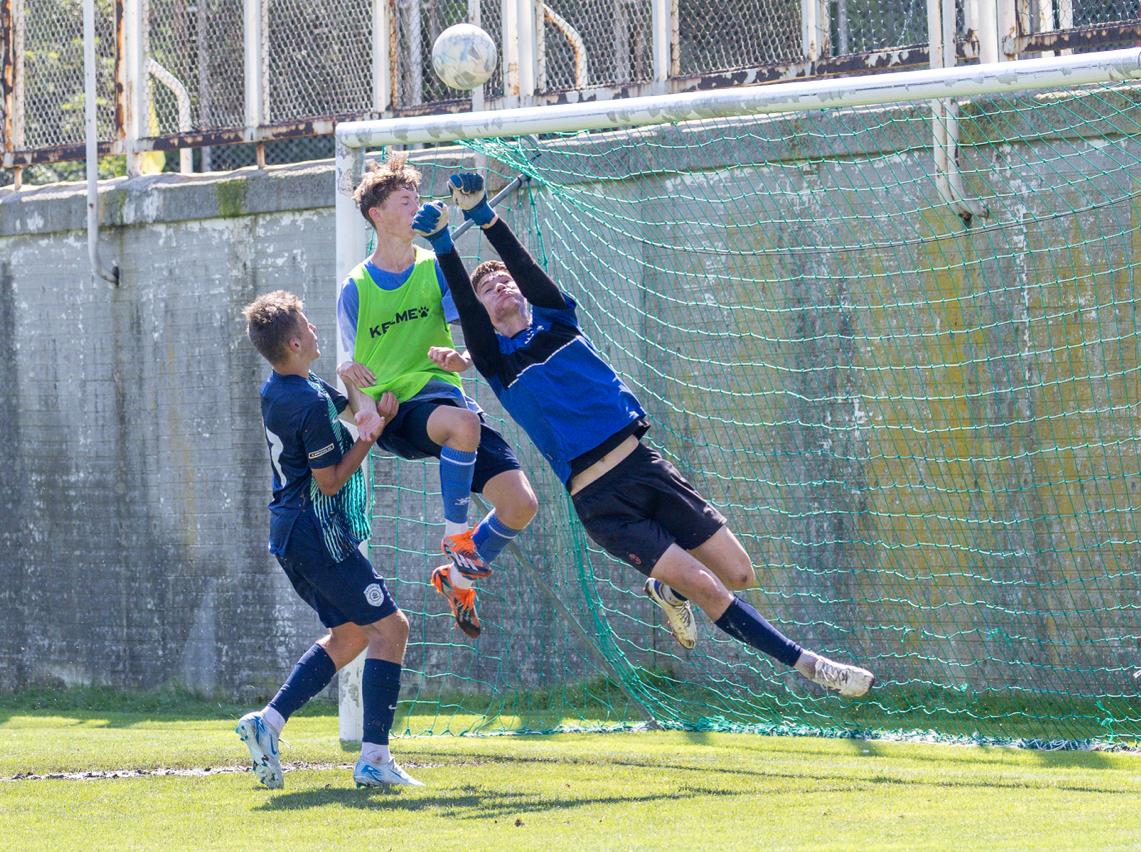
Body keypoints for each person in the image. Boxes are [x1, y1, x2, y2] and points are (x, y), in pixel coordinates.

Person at [409, 173, 875, 698]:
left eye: (504, 282)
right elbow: (470, 318)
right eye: (486, 290)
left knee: (740, 574)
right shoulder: (498, 363)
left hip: (646, 467)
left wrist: (485, 216)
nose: (499, 287)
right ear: (481, 314)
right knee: (706, 587)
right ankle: (813, 666)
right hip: (601, 501)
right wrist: (443, 243)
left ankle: (666, 589)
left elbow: (527, 270)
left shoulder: (559, 323)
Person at [339, 154, 539, 638]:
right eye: (405, 202)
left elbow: (474, 330)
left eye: (417, 199)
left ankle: (455, 580)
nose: (417, 207)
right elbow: (350, 373)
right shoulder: (356, 288)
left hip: (447, 402)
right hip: (398, 412)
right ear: (377, 215)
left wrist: (462, 358)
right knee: (464, 425)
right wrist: (365, 414)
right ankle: (456, 539)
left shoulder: (435, 268)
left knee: (520, 504)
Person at [235, 290, 421, 789]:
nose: (316, 329)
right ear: (295, 343)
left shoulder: (283, 385)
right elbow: (331, 480)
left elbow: (352, 411)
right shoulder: (308, 401)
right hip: (317, 534)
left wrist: (357, 392)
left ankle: (267, 723)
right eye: (308, 324)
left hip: (290, 533)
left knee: (353, 634)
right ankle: (374, 759)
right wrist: (369, 438)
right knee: (392, 629)